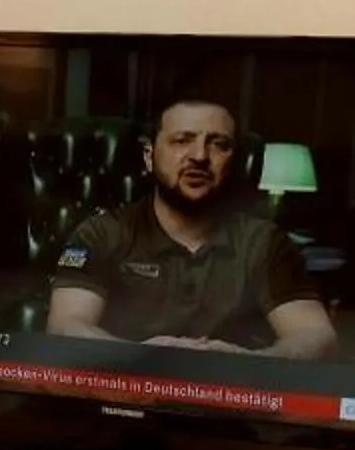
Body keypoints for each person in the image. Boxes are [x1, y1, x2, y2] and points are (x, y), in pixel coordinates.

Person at [45, 97, 336, 359]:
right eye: (182, 140)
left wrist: (247, 363)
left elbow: (318, 337)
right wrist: (146, 356)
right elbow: (64, 327)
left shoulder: (264, 241)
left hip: (225, 402)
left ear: (233, 161)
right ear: (149, 156)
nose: (199, 155)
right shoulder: (102, 232)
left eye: (218, 144)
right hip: (121, 401)